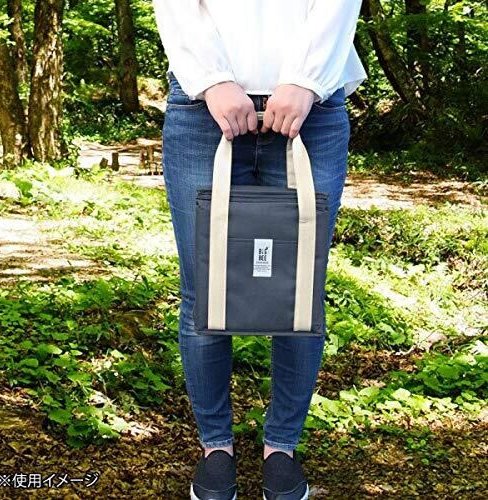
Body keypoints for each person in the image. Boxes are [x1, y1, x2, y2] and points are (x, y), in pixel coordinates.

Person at [154, 1, 366, 498]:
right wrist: (213, 80)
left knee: (300, 288)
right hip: (202, 110)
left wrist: (305, 80)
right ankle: (215, 447)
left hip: (313, 110)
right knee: (204, 291)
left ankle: (282, 448)